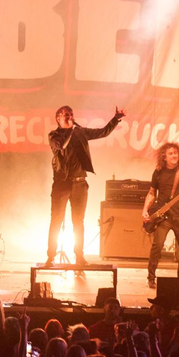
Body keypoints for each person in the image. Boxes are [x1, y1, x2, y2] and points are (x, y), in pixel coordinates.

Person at [45, 105, 125, 266]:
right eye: (66, 115)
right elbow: (61, 146)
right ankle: (51, 256)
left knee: (78, 222)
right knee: (56, 221)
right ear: (58, 118)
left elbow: (103, 132)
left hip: (80, 184)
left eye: (71, 114)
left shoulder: (80, 132)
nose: (70, 117)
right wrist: (72, 130)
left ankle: (79, 256)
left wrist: (115, 119)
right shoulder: (54, 135)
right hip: (61, 184)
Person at [142, 142, 179, 288]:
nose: (174, 155)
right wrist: (145, 210)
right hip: (163, 217)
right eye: (170, 153)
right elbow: (151, 193)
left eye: (176, 153)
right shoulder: (158, 172)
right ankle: (151, 278)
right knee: (157, 247)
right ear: (164, 157)